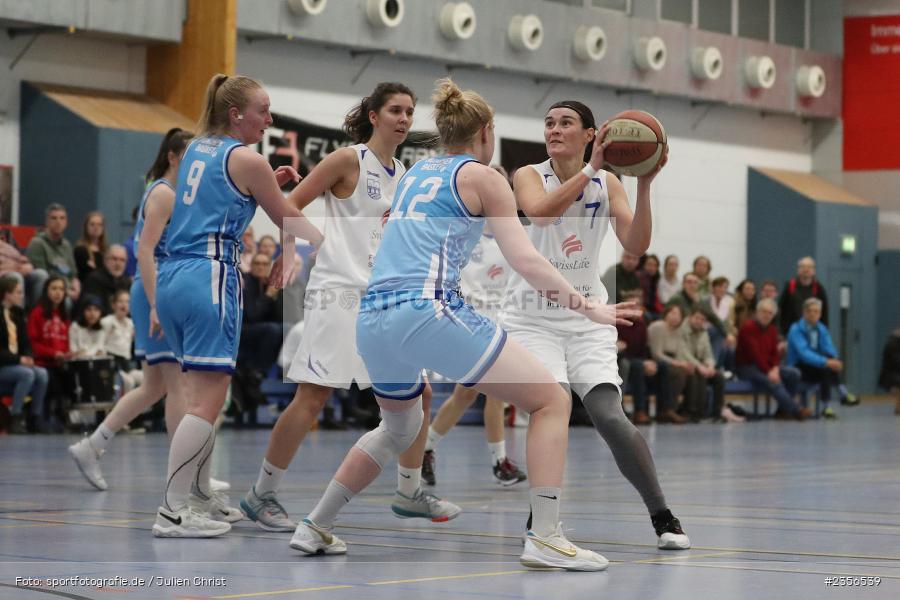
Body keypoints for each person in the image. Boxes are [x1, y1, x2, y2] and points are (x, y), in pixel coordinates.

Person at [290, 80, 641, 571]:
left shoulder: (413, 174)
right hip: (427, 309)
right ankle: (545, 536)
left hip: (372, 316)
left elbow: (391, 229)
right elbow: (526, 260)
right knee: (552, 400)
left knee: (400, 425)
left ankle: (314, 525)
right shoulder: (483, 176)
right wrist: (590, 307)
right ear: (486, 132)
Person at [243, 82, 460, 534]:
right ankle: (260, 493)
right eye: (395, 110)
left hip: (383, 298)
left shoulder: (404, 173)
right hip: (338, 293)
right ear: (374, 115)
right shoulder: (347, 160)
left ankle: (408, 492)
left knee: (418, 393)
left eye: (409, 112)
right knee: (313, 396)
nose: (403, 119)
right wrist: (289, 246)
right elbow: (287, 205)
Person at [502, 98, 689, 551]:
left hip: (589, 318)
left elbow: (636, 242)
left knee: (610, 417)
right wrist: (591, 171)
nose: (554, 129)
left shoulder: (609, 184)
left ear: (591, 135)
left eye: (566, 123)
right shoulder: (527, 174)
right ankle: (542, 520)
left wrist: (643, 185)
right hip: (533, 318)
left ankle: (662, 514)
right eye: (548, 122)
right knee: (555, 407)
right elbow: (541, 213)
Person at [152, 74, 322, 538]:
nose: (269, 120)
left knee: (197, 398)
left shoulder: (197, 148)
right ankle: (171, 512)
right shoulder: (247, 160)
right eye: (263, 111)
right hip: (210, 275)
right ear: (236, 114)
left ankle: (200, 495)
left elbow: (229, 196)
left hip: (173, 275)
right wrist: (332, 242)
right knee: (208, 402)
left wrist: (270, 184)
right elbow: (291, 220)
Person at [69, 128, 233, 498]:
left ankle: (92, 445)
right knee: (177, 386)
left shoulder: (174, 193)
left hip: (158, 287)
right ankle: (186, 475)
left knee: (154, 386)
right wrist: (158, 303)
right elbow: (144, 252)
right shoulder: (162, 192)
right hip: (154, 288)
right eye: (189, 154)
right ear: (174, 156)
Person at [421, 225, 527, 487]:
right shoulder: (464, 234)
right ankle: (499, 462)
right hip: (470, 323)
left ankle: (426, 448)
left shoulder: (514, 236)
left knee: (465, 395)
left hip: (500, 323)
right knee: (492, 392)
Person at [735, 298, 810, 420]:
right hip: (747, 367)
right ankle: (797, 410)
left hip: (767, 367)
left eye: (770, 313)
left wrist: (775, 368)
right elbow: (755, 355)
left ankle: (783, 411)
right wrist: (770, 372)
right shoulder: (748, 328)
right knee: (774, 381)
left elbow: (774, 354)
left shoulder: (772, 330)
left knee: (794, 374)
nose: (767, 315)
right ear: (757, 312)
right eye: (764, 311)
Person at [616, 289, 675, 425]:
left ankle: (664, 410)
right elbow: (620, 352)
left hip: (639, 361)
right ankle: (640, 411)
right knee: (636, 366)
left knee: (662, 366)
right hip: (623, 364)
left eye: (637, 306)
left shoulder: (642, 325)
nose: (634, 309)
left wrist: (649, 362)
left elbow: (644, 350)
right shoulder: (617, 324)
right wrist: (643, 363)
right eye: (631, 306)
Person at [786, 298, 850, 419]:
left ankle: (829, 404)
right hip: (798, 367)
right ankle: (840, 395)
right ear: (804, 312)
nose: (812, 314)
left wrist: (835, 360)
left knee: (827, 365)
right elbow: (804, 354)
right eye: (809, 311)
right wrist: (827, 362)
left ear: (820, 314)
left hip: (815, 366)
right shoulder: (796, 329)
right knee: (825, 366)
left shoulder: (821, 328)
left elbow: (828, 347)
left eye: (816, 311)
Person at [0, 274, 48, 433]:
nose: (21, 296)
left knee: (42, 374)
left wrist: (28, 356)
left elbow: (25, 342)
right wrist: (19, 359)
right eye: (18, 292)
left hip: (16, 363)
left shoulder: (18, 314)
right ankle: (16, 415)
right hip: (4, 365)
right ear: (7, 294)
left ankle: (35, 416)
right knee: (26, 374)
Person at [27, 276, 71, 429]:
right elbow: (33, 343)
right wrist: (54, 353)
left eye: (61, 289)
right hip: (42, 362)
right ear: (46, 291)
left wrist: (67, 354)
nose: (57, 293)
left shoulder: (64, 315)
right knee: (54, 383)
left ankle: (62, 417)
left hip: (60, 363)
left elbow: (66, 342)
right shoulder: (37, 313)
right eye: (54, 288)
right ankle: (42, 419)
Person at [679, 308, 731, 422]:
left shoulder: (703, 332)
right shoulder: (681, 330)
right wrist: (699, 366)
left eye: (702, 319)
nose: (699, 321)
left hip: (700, 365)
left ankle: (717, 413)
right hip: (685, 364)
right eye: (697, 318)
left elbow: (708, 352)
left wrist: (710, 365)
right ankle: (695, 412)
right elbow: (684, 353)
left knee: (719, 377)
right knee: (698, 374)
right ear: (690, 317)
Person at [646, 304, 690, 424]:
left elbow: (680, 351)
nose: (675, 317)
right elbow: (657, 354)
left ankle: (680, 410)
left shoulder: (678, 331)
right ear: (666, 314)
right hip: (654, 360)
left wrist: (684, 363)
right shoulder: (658, 327)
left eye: (679, 315)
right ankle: (667, 410)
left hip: (670, 361)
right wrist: (677, 363)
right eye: (673, 313)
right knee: (677, 373)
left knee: (686, 371)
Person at [26, 204, 80, 300]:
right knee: (66, 302)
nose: (58, 222)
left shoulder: (66, 245)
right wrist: (65, 290)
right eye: (54, 218)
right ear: (47, 222)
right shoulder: (37, 243)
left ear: (66, 222)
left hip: (66, 288)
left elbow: (72, 272)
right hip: (48, 290)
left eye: (62, 218)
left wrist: (76, 284)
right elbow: (43, 276)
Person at [101, 290, 142, 395]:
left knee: (148, 379)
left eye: (127, 302)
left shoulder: (131, 324)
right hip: (111, 364)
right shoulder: (107, 322)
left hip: (126, 364)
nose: (124, 305)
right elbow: (100, 344)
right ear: (113, 304)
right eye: (120, 301)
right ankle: (124, 410)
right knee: (128, 381)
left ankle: (147, 411)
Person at [779, 256, 829, 336]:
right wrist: (782, 333)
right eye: (803, 267)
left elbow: (824, 314)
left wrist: (824, 333)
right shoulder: (789, 287)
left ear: (814, 271)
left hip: (813, 333)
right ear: (798, 270)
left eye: (809, 267)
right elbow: (781, 311)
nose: (806, 270)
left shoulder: (819, 289)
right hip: (791, 332)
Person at [81, 245, 132, 315]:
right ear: (105, 260)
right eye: (114, 259)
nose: (118, 263)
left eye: (122, 260)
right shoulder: (94, 279)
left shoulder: (127, 282)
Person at [0, 235, 46, 309]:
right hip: (4, 277)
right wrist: (15, 269)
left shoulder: (7, 246)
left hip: (17, 271)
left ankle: (37, 314)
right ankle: (19, 314)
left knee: (41, 274)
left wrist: (27, 265)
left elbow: (20, 258)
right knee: (16, 277)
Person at [74, 211, 107, 282]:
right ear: (86, 227)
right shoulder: (80, 250)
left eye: (99, 224)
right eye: (92, 224)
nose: (96, 227)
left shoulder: (106, 250)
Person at [638, 253, 663, 319]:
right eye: (649, 265)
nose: (652, 268)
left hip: (653, 311)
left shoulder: (655, 281)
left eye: (655, 266)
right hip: (642, 310)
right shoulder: (640, 278)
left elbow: (656, 301)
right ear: (644, 265)